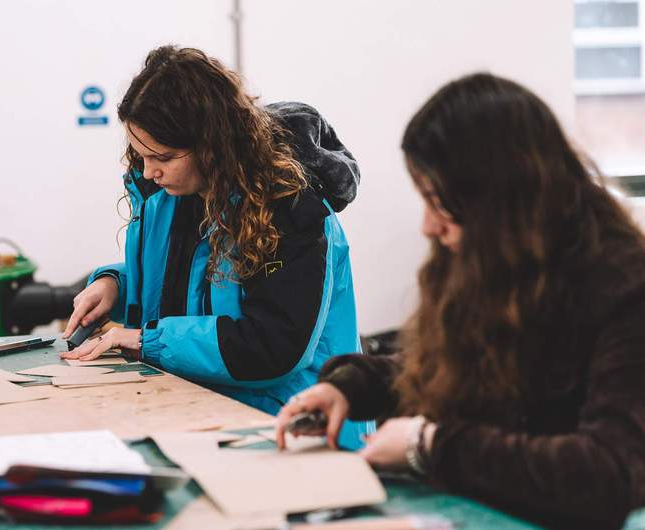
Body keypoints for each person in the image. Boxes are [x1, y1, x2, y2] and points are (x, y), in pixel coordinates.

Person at [275, 72, 645, 528]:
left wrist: (427, 445)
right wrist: (350, 387)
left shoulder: (626, 287)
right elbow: (449, 369)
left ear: (499, 196)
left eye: (439, 202)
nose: (429, 226)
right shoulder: (501, 260)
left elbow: (605, 474)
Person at [61, 44, 373, 447]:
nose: (149, 171)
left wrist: (143, 340)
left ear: (212, 144)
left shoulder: (291, 209)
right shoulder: (172, 193)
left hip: (293, 429)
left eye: (163, 157)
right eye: (139, 156)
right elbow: (185, 284)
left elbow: (273, 346)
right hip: (206, 414)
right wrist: (115, 286)